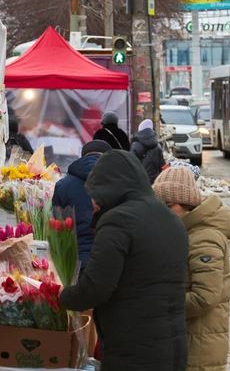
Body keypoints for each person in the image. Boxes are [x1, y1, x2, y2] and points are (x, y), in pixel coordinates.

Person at [59, 150, 189, 371]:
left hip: (133, 351)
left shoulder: (118, 221)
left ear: (111, 188)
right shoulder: (170, 219)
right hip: (172, 348)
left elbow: (96, 287)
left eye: (95, 192)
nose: (93, 201)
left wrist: (59, 296)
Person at [153, 166, 230, 371]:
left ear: (187, 203)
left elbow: (204, 297)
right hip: (189, 340)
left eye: (169, 205)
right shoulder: (185, 232)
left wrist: (156, 306)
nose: (163, 213)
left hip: (199, 349)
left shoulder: (204, 238)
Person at [52, 140, 112, 274]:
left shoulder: (63, 185)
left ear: (83, 156)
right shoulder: (119, 182)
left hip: (77, 261)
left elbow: (57, 227)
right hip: (112, 259)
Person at [131, 119, 165, 184]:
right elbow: (162, 165)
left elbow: (131, 164)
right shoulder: (158, 146)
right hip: (155, 181)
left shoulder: (136, 145)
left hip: (140, 181)